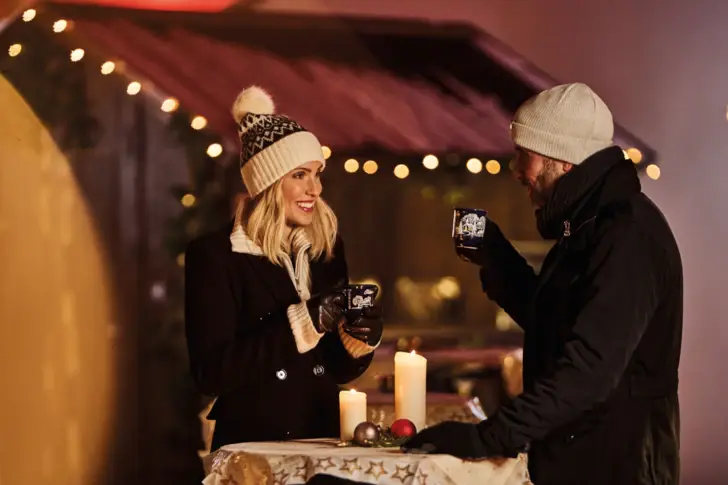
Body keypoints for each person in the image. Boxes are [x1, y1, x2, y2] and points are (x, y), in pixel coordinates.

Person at [404, 83, 682, 485]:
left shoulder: (627, 236)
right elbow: (555, 323)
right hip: (583, 461)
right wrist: (497, 259)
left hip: (618, 467)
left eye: (525, 155)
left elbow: (588, 369)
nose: (517, 170)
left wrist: (488, 438)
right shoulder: (588, 227)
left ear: (564, 160)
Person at [185, 86, 383, 451]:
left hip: (323, 436)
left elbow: (335, 368)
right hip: (253, 446)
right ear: (268, 183)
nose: (315, 188)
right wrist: (301, 322)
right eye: (300, 175)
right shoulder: (215, 254)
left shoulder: (327, 248)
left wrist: (358, 343)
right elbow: (210, 373)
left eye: (317, 173)